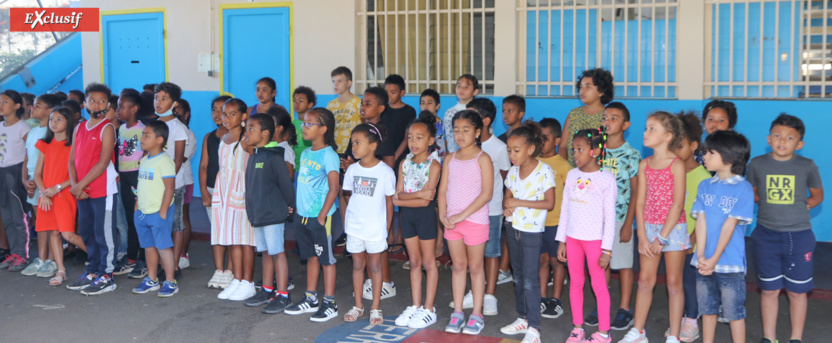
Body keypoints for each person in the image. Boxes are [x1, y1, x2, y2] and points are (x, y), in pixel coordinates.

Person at [748, 114, 823, 343]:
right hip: (766, 235)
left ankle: (795, 338)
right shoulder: (757, 164)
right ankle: (769, 337)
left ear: (799, 144)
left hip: (799, 236)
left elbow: (817, 196)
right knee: (769, 289)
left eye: (790, 138)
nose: (782, 141)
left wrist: (800, 206)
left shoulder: (807, 166)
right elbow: (751, 192)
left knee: (797, 291)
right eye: (777, 135)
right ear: (769, 139)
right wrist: (766, 203)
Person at [619, 112, 690, 343]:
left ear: (668, 136)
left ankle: (674, 335)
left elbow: (678, 205)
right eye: (646, 128)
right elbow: (639, 202)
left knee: (673, 283)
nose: (645, 133)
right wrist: (642, 236)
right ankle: (638, 331)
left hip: (672, 230)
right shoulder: (644, 164)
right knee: (645, 281)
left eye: (652, 129)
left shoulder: (677, 164)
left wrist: (662, 238)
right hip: (649, 229)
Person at [690, 130, 754, 343]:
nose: (704, 156)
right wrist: (701, 255)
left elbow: (729, 225)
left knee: (734, 312)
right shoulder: (705, 185)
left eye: (710, 152)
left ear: (728, 157)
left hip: (729, 264)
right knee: (707, 309)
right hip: (703, 262)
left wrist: (714, 259)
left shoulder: (743, 188)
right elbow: (701, 221)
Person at [556, 128, 617, 343]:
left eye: (580, 149)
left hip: (595, 242)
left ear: (594, 151)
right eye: (573, 149)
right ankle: (578, 328)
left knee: (599, 286)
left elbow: (610, 218)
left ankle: (604, 333)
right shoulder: (572, 175)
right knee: (576, 283)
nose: (575, 154)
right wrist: (562, 240)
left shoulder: (606, 179)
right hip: (573, 239)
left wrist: (607, 249)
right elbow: (565, 209)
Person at [499, 121, 556, 343]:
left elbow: (549, 203)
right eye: (509, 150)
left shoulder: (544, 171)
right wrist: (507, 206)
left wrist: (519, 202)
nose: (511, 155)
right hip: (512, 228)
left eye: (516, 150)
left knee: (531, 279)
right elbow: (507, 197)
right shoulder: (513, 172)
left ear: (530, 149)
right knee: (519, 276)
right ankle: (522, 318)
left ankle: (535, 328)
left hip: (531, 232)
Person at [439, 110, 494, 336]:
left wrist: (461, 215)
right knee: (458, 266)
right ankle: (458, 312)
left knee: (476, 268)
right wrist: (443, 215)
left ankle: (477, 314)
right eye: (456, 130)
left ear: (477, 132)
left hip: (475, 221)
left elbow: (487, 193)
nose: (460, 135)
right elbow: (443, 190)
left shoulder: (483, 159)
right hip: (452, 223)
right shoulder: (450, 158)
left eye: (466, 130)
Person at [284, 107, 340, 323]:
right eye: (304, 123)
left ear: (323, 129)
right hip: (303, 216)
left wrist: (322, 215)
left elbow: (334, 188)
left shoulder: (330, 155)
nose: (304, 127)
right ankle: (311, 298)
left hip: (320, 217)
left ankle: (330, 303)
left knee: (326, 259)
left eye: (309, 124)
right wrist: (297, 209)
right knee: (311, 257)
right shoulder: (307, 153)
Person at [589, 102, 640, 331]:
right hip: (596, 219)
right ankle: (602, 304)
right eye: (605, 117)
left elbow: (636, 191)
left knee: (624, 264)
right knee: (602, 263)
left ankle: (624, 309)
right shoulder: (596, 151)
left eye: (614, 118)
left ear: (625, 125)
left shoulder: (631, 154)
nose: (607, 121)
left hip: (619, 218)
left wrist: (628, 223)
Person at [66, 83, 119, 295]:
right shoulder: (79, 128)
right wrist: (74, 185)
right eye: (92, 100)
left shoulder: (107, 128)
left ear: (108, 105)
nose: (97, 104)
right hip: (81, 190)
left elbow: (103, 162)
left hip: (101, 190)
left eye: (102, 101)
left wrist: (80, 185)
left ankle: (107, 275)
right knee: (87, 232)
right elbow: (72, 160)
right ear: (85, 103)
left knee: (103, 233)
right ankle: (93, 270)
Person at [458, 98, 510, 316]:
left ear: (485, 121)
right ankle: (474, 291)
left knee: (491, 252)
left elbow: (507, 178)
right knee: (472, 255)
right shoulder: (463, 147)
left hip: (492, 209)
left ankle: (489, 295)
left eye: (472, 116)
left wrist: (506, 202)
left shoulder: (498, 148)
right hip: (468, 211)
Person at [341, 123, 396, 325]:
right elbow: (348, 195)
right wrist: (351, 220)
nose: (353, 147)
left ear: (372, 146)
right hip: (355, 227)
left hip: (375, 228)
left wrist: (386, 228)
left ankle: (375, 307)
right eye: (352, 143)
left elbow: (389, 202)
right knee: (357, 265)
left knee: (375, 266)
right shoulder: (352, 170)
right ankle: (358, 306)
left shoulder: (385, 172)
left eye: (358, 143)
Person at [241, 114, 296, 314]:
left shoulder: (275, 157)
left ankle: (283, 294)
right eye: (246, 128)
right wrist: (251, 211)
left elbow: (286, 185)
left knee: (277, 252)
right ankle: (266, 289)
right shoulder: (254, 156)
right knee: (265, 252)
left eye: (251, 128)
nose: (246, 133)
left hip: (273, 214)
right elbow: (250, 187)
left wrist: (290, 206)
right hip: (258, 215)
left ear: (265, 133)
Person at [393, 114, 442, 329]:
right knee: (414, 261)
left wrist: (407, 198)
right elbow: (396, 198)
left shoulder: (434, 165)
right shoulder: (404, 163)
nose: (413, 142)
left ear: (430, 140)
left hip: (425, 216)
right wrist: (418, 194)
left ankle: (429, 308)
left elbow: (426, 201)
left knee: (428, 262)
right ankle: (416, 305)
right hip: (407, 217)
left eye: (419, 138)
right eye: (410, 137)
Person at [670, 111, 712, 341]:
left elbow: (706, 214)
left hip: (691, 241)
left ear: (694, 145)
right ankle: (678, 320)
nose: (675, 149)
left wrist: (693, 239)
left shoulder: (703, 177)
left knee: (689, 281)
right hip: (672, 239)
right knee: (674, 281)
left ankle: (692, 322)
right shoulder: (670, 172)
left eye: (680, 145)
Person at [213, 98, 256, 302]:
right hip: (224, 193)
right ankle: (237, 280)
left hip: (241, 193)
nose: (227, 118)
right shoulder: (224, 138)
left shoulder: (246, 140)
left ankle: (248, 282)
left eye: (232, 114)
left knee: (246, 240)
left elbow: (253, 167)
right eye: (224, 114)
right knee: (232, 239)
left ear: (243, 116)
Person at [130, 121, 179, 297]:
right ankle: (152, 279)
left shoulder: (165, 161)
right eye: (142, 135)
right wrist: (137, 206)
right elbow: (141, 185)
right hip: (143, 213)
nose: (142, 138)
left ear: (159, 140)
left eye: (146, 135)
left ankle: (171, 281)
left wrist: (163, 212)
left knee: (163, 247)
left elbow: (170, 188)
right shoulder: (144, 160)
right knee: (149, 247)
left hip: (159, 213)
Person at [32, 107, 80, 285]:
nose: (54, 122)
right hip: (47, 194)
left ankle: (101, 259)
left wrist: (57, 188)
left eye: (59, 119)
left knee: (68, 234)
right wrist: (44, 192)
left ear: (69, 121)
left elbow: (77, 175)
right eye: (52, 119)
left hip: (65, 193)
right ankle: (61, 270)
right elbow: (37, 174)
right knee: (53, 232)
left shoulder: (74, 145)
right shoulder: (44, 144)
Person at [20, 94, 60, 276]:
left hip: (47, 184)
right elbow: (27, 159)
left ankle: (52, 259)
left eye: (38, 106)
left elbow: (53, 163)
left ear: (50, 110)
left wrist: (43, 184)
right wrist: (25, 180)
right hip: (33, 183)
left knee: (51, 223)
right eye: (33, 105)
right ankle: (42, 258)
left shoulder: (53, 134)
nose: (32, 108)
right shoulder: (32, 132)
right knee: (40, 222)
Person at [537, 118, 571, 320]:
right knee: (541, 261)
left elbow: (570, 196)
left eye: (546, 138)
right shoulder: (533, 162)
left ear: (557, 140)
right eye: (538, 138)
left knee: (557, 262)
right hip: (537, 222)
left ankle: (556, 300)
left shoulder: (564, 166)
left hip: (557, 223)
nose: (541, 142)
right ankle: (542, 297)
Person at [154, 82, 188, 279]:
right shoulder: (153, 125)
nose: (158, 102)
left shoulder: (178, 128)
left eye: (164, 99)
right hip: (154, 185)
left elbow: (178, 160)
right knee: (159, 224)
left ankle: (174, 265)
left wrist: (167, 182)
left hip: (173, 185)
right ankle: (161, 263)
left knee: (176, 224)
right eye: (156, 98)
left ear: (174, 103)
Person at [202, 95, 233, 288]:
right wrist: (204, 192)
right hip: (212, 190)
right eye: (214, 109)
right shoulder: (209, 137)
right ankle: (219, 269)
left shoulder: (239, 137)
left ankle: (230, 270)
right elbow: (203, 166)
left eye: (223, 111)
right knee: (217, 231)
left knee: (231, 231)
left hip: (232, 190)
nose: (218, 114)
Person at [114, 91, 146, 278]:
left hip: (137, 177)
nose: (117, 110)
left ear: (134, 109)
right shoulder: (121, 129)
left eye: (121, 106)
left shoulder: (142, 129)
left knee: (139, 218)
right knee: (129, 218)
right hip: (124, 177)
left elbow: (148, 153)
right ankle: (131, 257)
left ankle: (143, 259)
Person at [0, 90, 32, 272]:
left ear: (17, 106)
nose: (1, 105)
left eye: (5, 101)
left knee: (19, 216)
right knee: (7, 217)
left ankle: (23, 255)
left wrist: (26, 175)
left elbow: (31, 152)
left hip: (16, 172)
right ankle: (14, 253)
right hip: (1, 172)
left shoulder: (23, 127)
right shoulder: (0, 126)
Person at [559, 68, 614, 167]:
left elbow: (611, 147)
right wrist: (566, 169)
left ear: (601, 91)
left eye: (588, 87)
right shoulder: (573, 114)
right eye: (581, 87)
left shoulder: (607, 116)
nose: (582, 91)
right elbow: (563, 147)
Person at [175, 99, 197, 270]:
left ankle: (183, 254)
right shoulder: (171, 131)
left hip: (184, 181)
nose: (175, 113)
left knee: (183, 218)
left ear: (187, 114)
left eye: (178, 110)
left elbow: (180, 158)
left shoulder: (188, 135)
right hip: (169, 181)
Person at [383, 74, 417, 166]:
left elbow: (406, 139)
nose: (389, 95)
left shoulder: (409, 111)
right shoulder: (382, 109)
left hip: (400, 157)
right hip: (383, 156)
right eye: (386, 92)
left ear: (402, 93)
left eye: (393, 92)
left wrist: (393, 158)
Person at [328, 66, 362, 155]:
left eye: (339, 81)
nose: (335, 85)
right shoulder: (331, 105)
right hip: (335, 150)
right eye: (333, 81)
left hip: (354, 150)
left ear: (349, 83)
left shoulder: (359, 103)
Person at [443, 74, 479, 154]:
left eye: (466, 87)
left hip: (475, 153)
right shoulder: (450, 112)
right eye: (459, 86)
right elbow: (450, 139)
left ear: (475, 91)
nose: (461, 89)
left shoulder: (479, 111)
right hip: (456, 154)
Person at [694, 100, 737, 165]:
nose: (714, 123)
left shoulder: (732, 151)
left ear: (730, 126)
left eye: (721, 120)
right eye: (710, 119)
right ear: (704, 122)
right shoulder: (696, 149)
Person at [266, 105, 297, 179]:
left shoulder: (285, 149)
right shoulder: (268, 146)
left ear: (279, 128)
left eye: (270, 124)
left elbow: (290, 175)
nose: (266, 126)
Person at [291, 86, 315, 168]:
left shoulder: (315, 124)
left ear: (310, 104)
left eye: (301, 101)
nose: (296, 103)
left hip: (311, 165)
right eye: (294, 101)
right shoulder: (291, 124)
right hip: (296, 166)